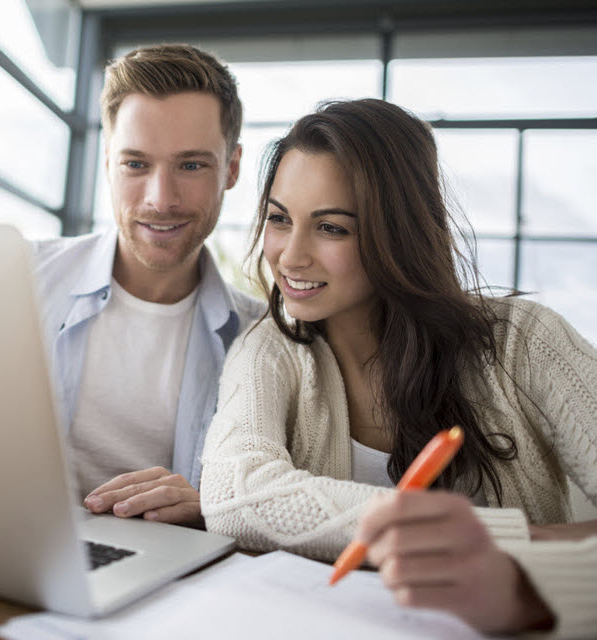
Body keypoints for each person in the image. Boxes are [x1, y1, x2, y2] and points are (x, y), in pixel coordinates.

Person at [200, 99, 597, 637]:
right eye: (278, 219)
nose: (290, 256)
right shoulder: (271, 348)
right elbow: (235, 494)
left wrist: (509, 562)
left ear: (400, 233)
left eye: (332, 228)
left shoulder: (525, 340)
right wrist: (489, 536)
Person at [32, 44, 262, 527]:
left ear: (233, 169)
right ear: (108, 162)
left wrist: (213, 509)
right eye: (136, 164)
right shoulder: (19, 280)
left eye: (192, 165)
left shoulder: (262, 339)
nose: (162, 199)